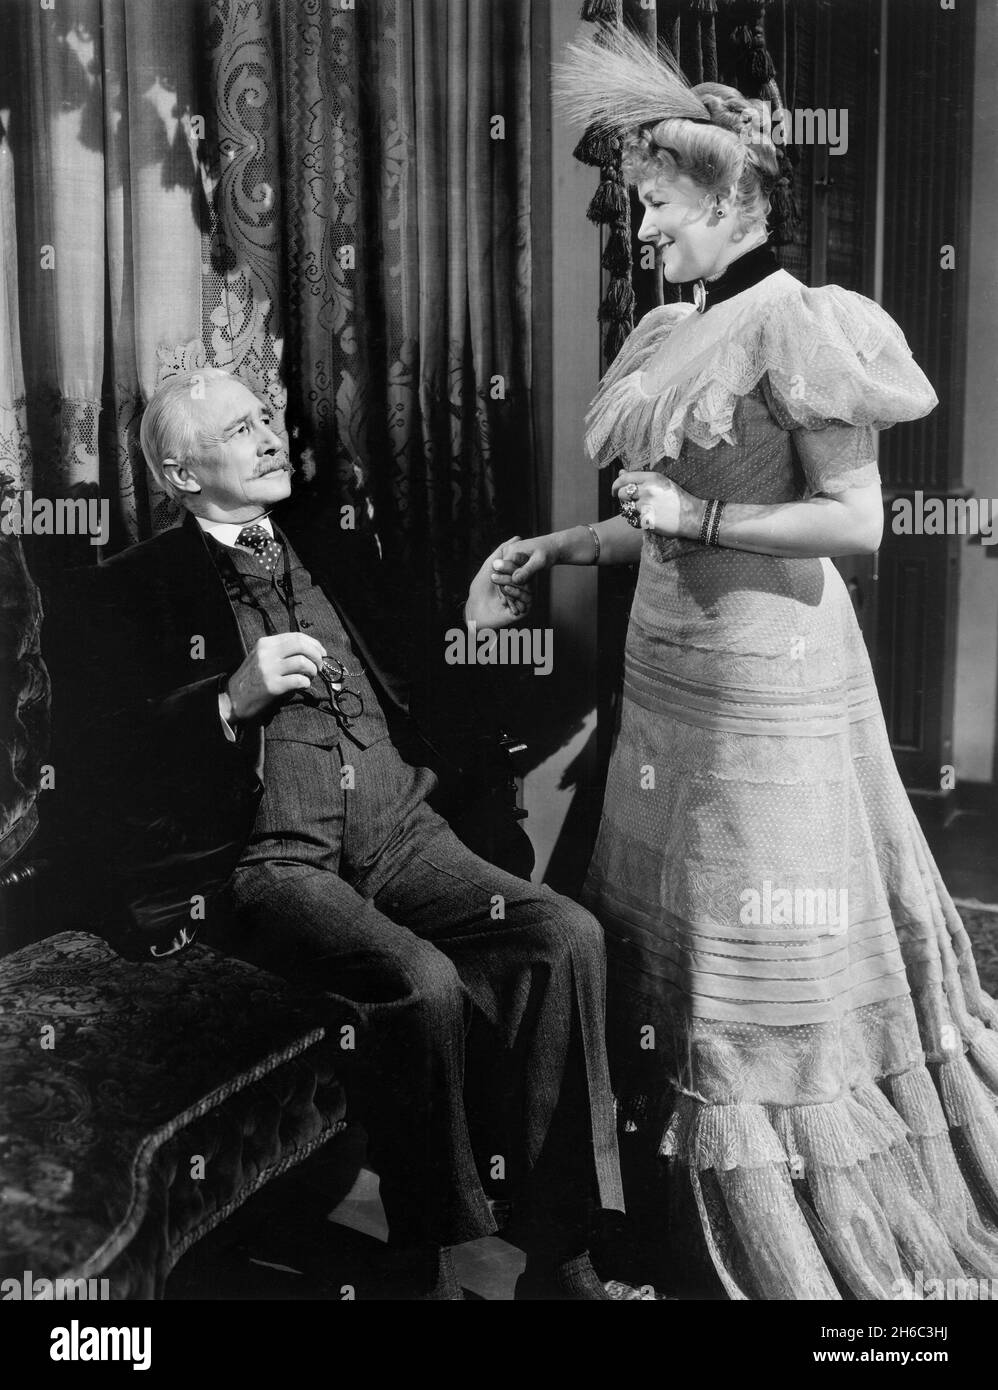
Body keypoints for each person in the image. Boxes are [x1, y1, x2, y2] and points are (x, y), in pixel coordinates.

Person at [488, 30, 998, 1299]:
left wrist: (696, 523)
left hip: (768, 680)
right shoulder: (676, 326)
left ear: (725, 199)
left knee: (751, 954)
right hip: (669, 685)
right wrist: (564, 540)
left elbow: (854, 527)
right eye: (635, 209)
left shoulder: (806, 326)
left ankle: (775, 1247)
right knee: (669, 947)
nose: (640, 232)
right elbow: (649, 509)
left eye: (656, 207)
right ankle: (668, 1218)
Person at [55, 366, 623, 1300]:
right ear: (182, 474)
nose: (272, 435)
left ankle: (560, 1250)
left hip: (400, 829)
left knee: (566, 937)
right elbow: (98, 769)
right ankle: (426, 1255)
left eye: (267, 416)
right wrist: (228, 699)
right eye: (242, 429)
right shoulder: (127, 589)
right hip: (276, 858)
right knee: (421, 983)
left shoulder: (339, 544)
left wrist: (475, 638)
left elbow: (420, 674)